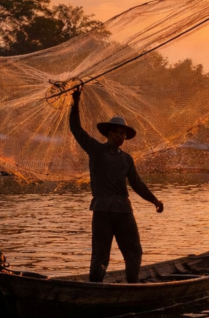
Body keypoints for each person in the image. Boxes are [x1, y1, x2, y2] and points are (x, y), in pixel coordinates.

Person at [69, 86, 163, 283]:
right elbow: (76, 129)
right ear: (109, 133)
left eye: (123, 134)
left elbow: (137, 184)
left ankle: (132, 287)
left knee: (134, 252)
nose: (121, 136)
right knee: (101, 256)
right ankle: (94, 289)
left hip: (124, 211)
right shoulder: (96, 150)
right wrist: (76, 102)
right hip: (103, 209)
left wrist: (154, 200)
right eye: (117, 133)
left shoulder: (127, 159)